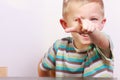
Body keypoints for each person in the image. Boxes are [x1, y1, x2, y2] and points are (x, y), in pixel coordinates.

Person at [38, 0, 114, 77]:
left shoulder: (102, 46)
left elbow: (102, 41)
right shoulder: (59, 47)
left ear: (102, 23)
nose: (85, 26)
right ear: (65, 24)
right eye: (78, 20)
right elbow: (42, 67)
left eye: (93, 19)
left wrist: (93, 31)